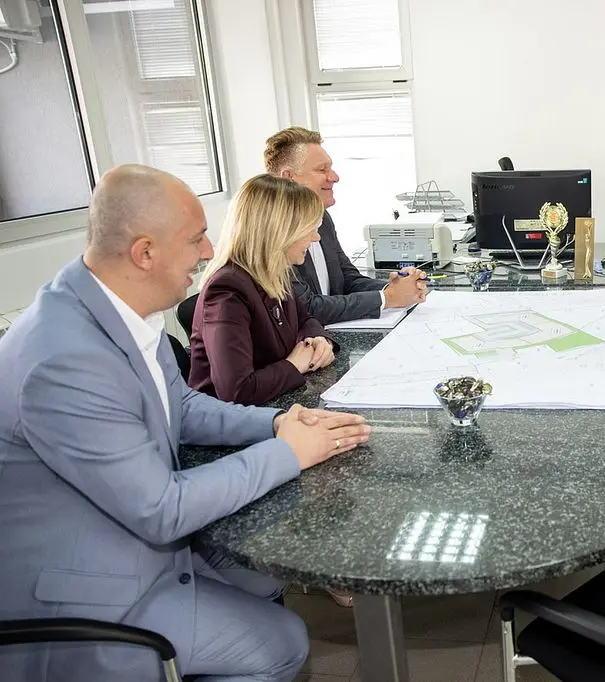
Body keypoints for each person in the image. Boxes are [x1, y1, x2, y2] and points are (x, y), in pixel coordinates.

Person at [0, 165, 372, 681]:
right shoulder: (64, 360)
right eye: (196, 238)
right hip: (84, 597)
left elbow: (184, 406)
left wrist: (277, 423)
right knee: (282, 642)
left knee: (266, 572)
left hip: (137, 545)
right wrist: (289, 452)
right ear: (145, 252)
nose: (208, 251)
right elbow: (162, 509)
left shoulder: (120, 308)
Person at [188, 174, 336, 406]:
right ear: (280, 231)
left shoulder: (274, 273)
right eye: (309, 228)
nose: (316, 237)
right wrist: (294, 365)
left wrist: (317, 339)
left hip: (272, 404)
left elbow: (305, 320)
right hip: (229, 422)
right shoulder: (227, 290)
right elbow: (236, 391)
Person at [263, 126, 427, 325]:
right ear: (289, 178)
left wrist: (397, 288)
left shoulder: (323, 219)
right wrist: (388, 298)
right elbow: (306, 307)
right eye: (322, 170)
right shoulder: (270, 232)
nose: (334, 177)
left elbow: (347, 279)